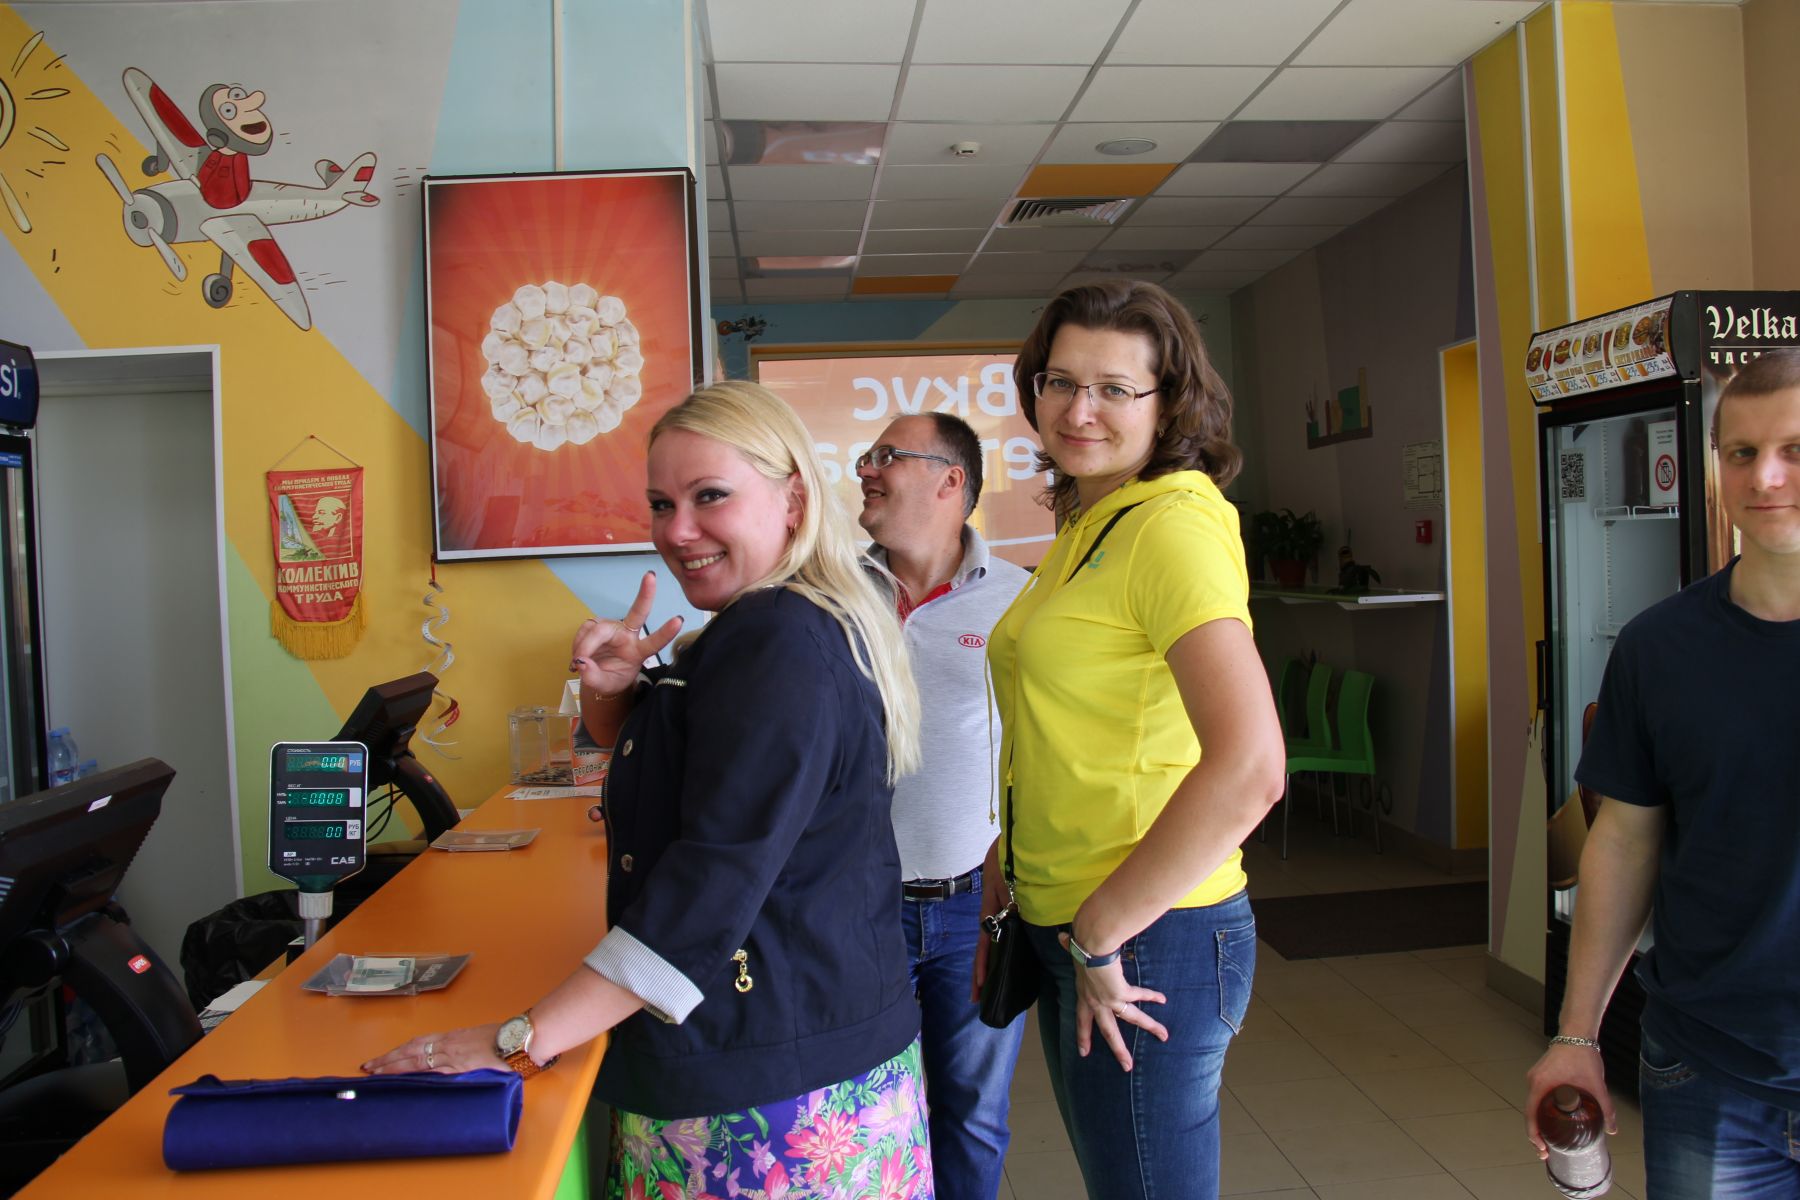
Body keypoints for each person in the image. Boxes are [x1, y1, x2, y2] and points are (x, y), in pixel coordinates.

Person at [366, 380, 934, 1200]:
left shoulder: (776, 639)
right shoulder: (781, 622)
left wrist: (521, 1039)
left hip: (770, 1094)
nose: (678, 531)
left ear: (793, 499)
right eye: (662, 504)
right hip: (815, 1047)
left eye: (710, 496)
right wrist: (617, 697)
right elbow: (708, 774)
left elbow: (712, 879)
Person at [976, 280, 1286, 1200]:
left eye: (1115, 388)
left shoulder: (1170, 527)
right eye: (1060, 382)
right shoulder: (1090, 519)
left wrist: (1103, 931)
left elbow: (1252, 766)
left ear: (1169, 402)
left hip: (1146, 933)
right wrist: (1008, 859)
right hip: (1075, 917)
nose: (1080, 411)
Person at [1525, 349, 1800, 1198]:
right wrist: (1577, 1034)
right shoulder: (1659, 648)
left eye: (1795, 449)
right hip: (1709, 1065)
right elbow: (1624, 842)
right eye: (1742, 452)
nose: (1767, 476)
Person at [856, 412, 1030, 1200]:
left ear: (950, 481)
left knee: (972, 1115)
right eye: (866, 457)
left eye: (887, 456)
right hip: (855, 908)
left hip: (976, 907)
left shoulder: (1019, 601)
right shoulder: (833, 595)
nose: (867, 470)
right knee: (866, 1114)